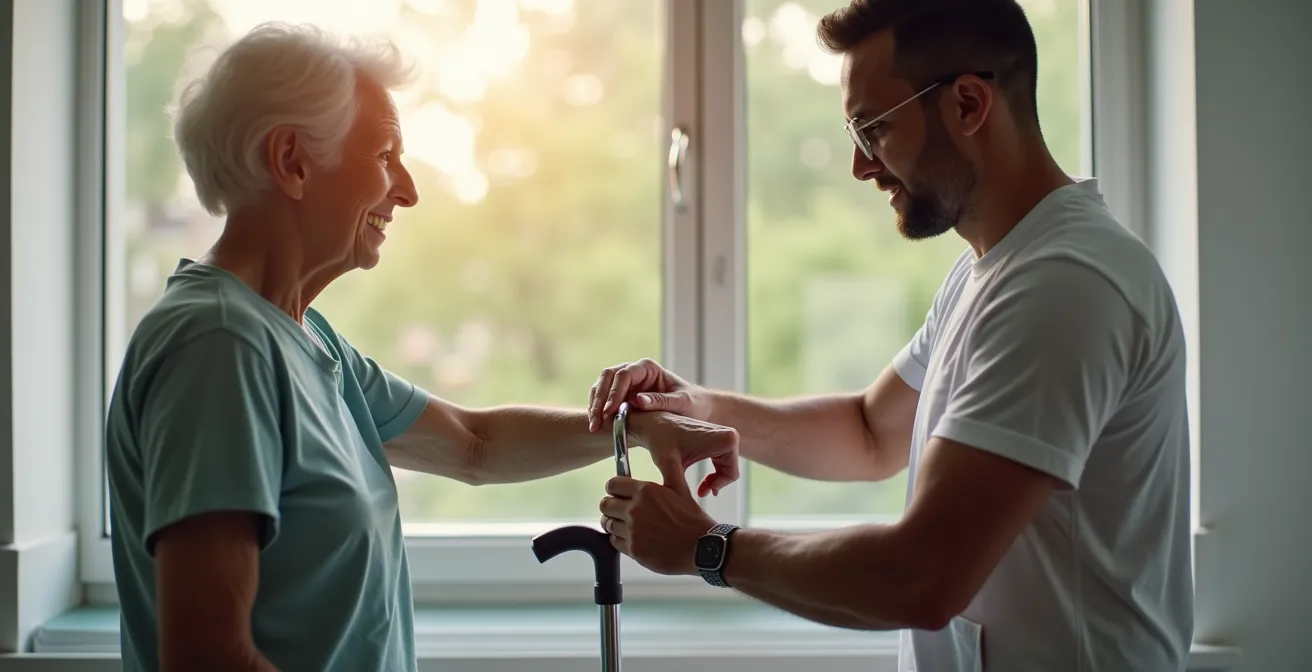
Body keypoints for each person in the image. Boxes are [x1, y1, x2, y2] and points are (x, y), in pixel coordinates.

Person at [103, 23, 739, 672]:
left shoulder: (299, 336)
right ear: (292, 160)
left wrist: (637, 428)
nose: (405, 189)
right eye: (384, 156)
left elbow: (474, 442)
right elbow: (208, 657)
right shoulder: (218, 347)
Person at [588, 0, 1194, 670]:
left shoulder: (1066, 287)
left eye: (873, 129)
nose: (859, 165)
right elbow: (871, 432)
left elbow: (921, 576)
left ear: (968, 105)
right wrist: (701, 408)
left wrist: (709, 548)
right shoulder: (989, 272)